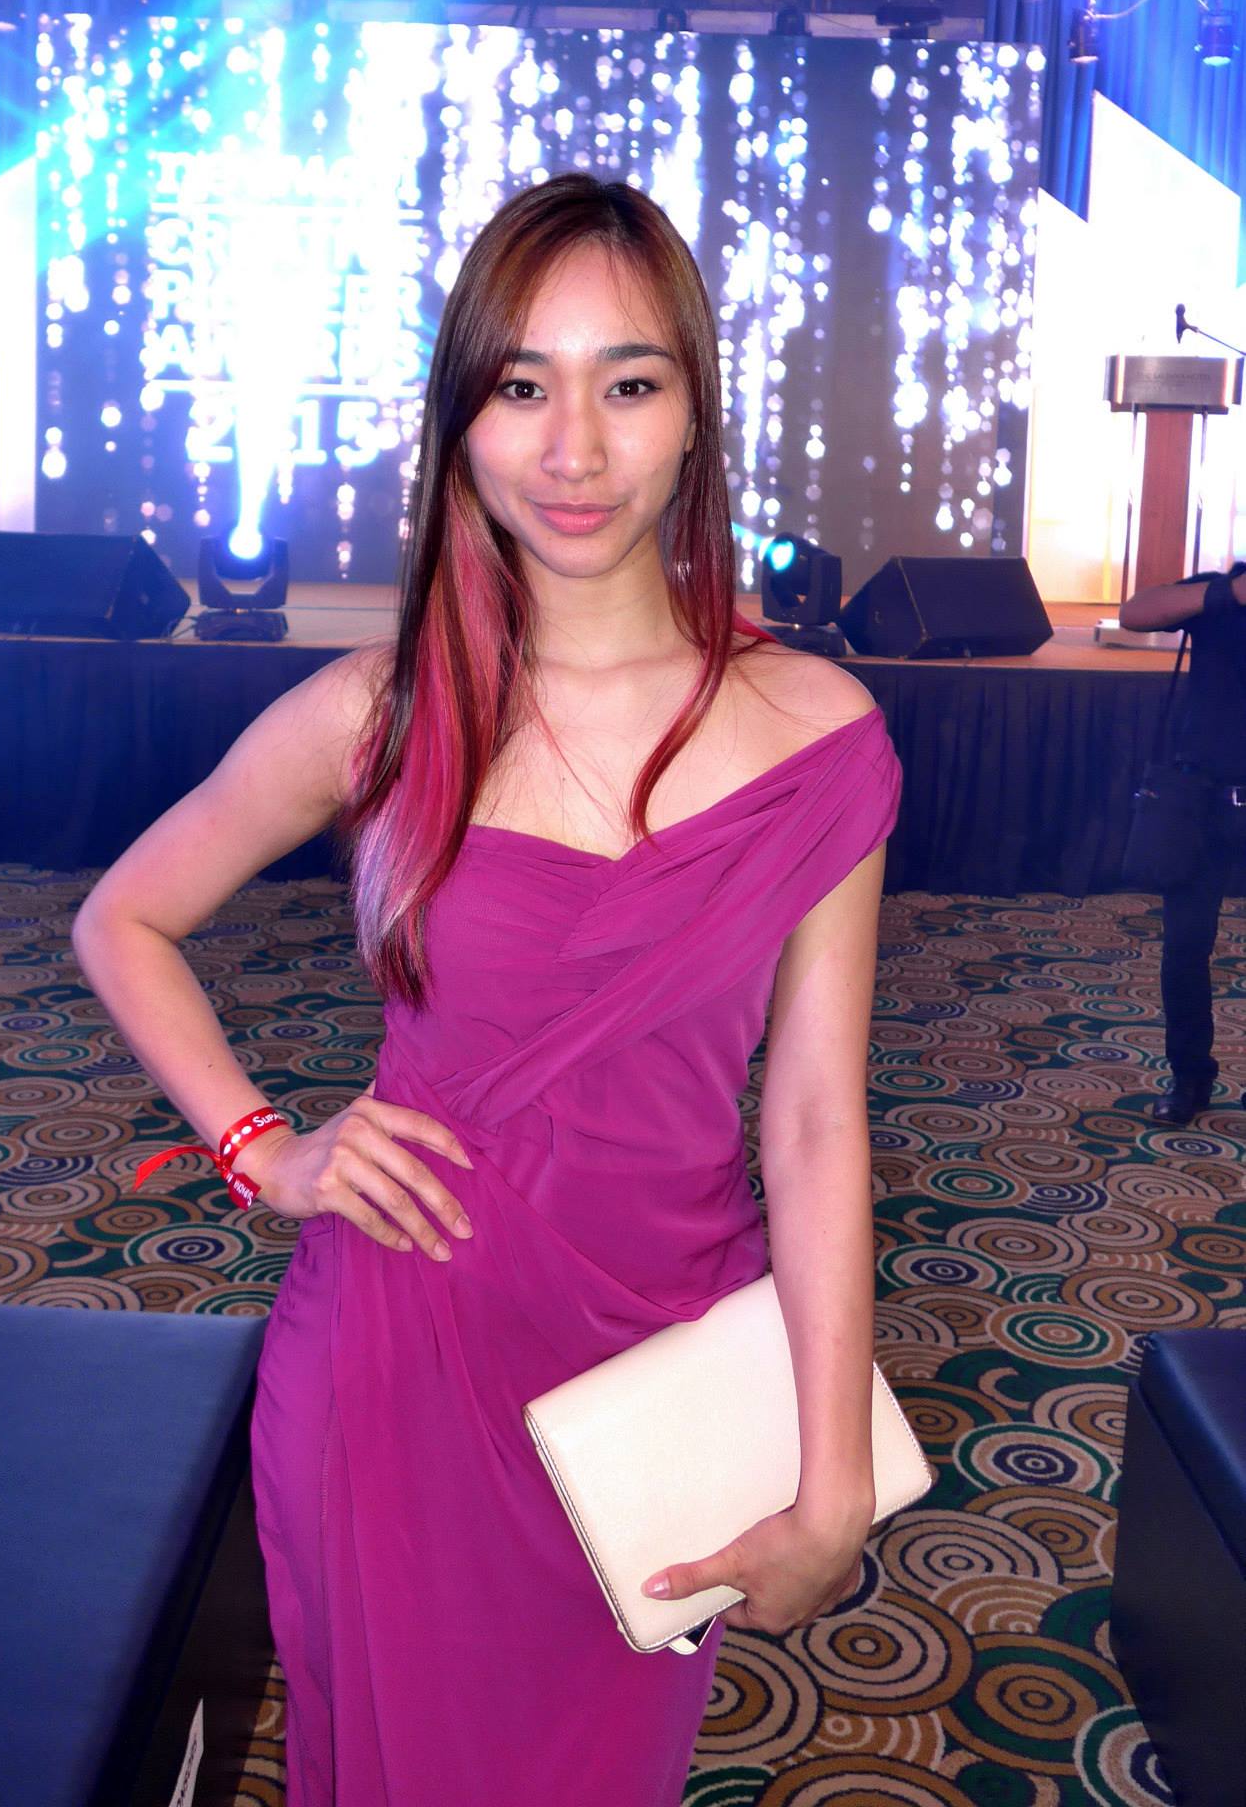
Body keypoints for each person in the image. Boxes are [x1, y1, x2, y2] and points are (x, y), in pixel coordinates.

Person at [71, 173, 903, 1806]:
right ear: (460, 418)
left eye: (627, 383)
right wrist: (262, 1150)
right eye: (522, 385)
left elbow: (814, 1123)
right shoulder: (380, 710)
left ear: (693, 412)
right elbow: (125, 918)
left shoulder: (817, 735)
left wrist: (834, 1479)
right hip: (399, 1357)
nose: (572, 447)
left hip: (653, 1378)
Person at [1119, 558, 1246, 1123]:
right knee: (1186, 948)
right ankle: (1190, 1078)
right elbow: (1135, 613)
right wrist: (1229, 594)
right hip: (1200, 802)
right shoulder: (1220, 592)